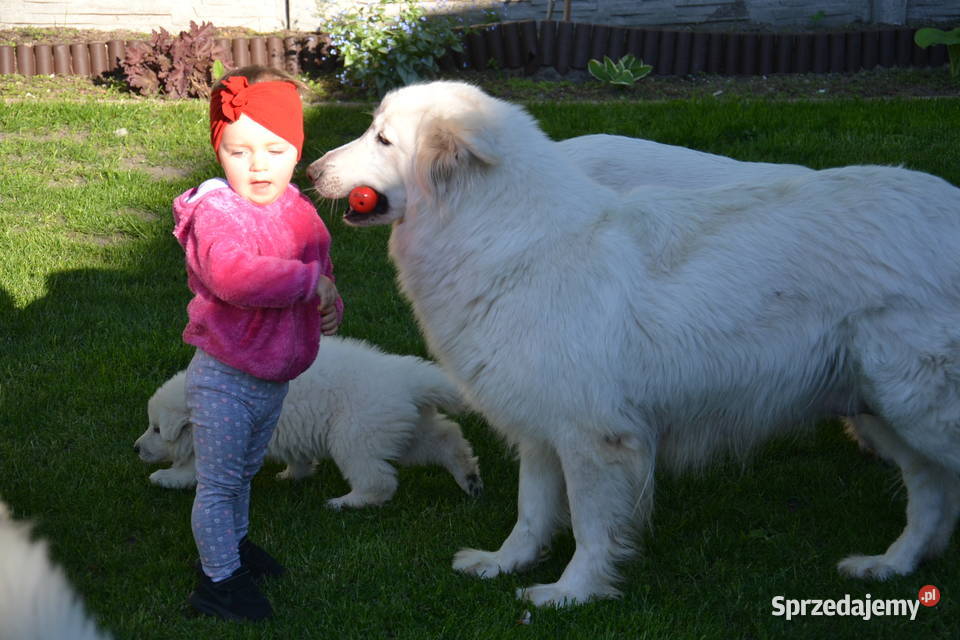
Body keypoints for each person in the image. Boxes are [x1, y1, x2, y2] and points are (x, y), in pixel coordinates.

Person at [171, 65, 342, 621]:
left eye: (274, 149)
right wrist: (303, 284)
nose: (258, 165)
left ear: (297, 148)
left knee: (244, 473)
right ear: (218, 151)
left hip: (272, 377)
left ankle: (234, 546)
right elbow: (232, 276)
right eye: (238, 152)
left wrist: (328, 302)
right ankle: (218, 583)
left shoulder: (298, 209)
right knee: (219, 483)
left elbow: (320, 265)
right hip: (225, 375)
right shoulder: (216, 215)